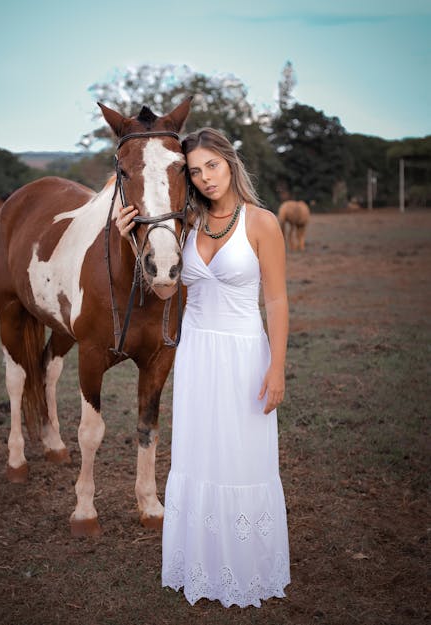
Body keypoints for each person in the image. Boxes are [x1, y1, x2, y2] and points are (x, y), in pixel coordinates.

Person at [117, 127, 290, 608]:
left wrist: (277, 368)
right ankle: (202, 562)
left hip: (242, 354)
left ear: (230, 164)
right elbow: (167, 290)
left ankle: (247, 565)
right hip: (196, 357)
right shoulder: (186, 226)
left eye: (211, 165)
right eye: (195, 171)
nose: (205, 177)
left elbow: (275, 301)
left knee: (241, 459)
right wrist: (133, 237)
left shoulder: (262, 223)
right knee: (199, 457)